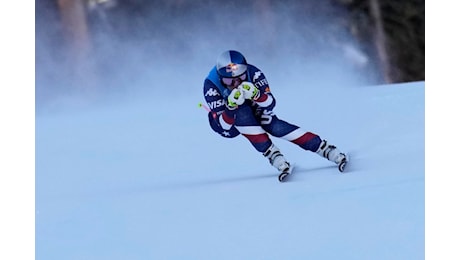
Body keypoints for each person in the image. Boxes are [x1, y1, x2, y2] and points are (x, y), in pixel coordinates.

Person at [202, 50, 347, 181]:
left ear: (246, 71)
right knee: (241, 115)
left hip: (250, 106)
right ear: (220, 77)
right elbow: (225, 126)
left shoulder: (254, 73)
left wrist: (257, 95)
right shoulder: (211, 85)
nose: (236, 84)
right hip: (226, 123)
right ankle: (272, 154)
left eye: (241, 78)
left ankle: (323, 147)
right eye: (229, 81)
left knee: (271, 124)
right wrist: (231, 106)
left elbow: (270, 104)